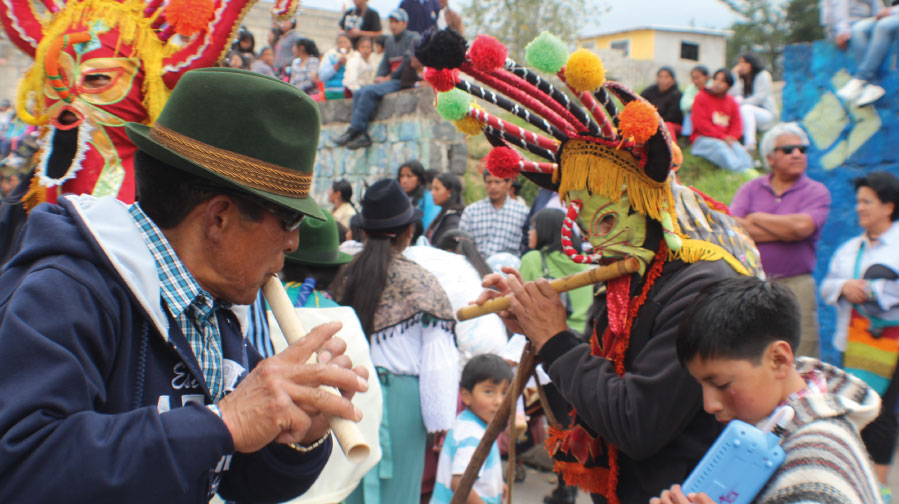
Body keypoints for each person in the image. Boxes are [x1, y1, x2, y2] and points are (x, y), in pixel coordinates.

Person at [0, 68, 369, 503]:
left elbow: (243, 483)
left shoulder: (218, 310)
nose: (293, 241)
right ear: (218, 218)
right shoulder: (66, 291)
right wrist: (223, 422)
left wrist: (299, 433)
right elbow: (22, 467)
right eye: (288, 220)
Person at [651, 276, 884, 504]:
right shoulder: (765, 433)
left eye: (722, 384)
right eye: (700, 385)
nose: (709, 404)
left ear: (779, 360)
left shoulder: (818, 455)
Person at [332, 179, 459, 504]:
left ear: (363, 230)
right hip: (401, 402)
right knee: (399, 491)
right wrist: (440, 423)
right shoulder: (423, 282)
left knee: (347, 486)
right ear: (408, 231)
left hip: (347, 393)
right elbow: (437, 359)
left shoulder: (341, 274)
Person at [821, 171, 899, 497]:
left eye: (867, 201)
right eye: (858, 201)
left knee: (880, 414)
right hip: (851, 344)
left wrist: (872, 292)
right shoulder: (849, 249)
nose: (859, 208)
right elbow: (827, 286)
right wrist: (843, 287)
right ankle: (858, 481)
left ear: (888, 207)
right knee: (856, 411)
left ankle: (878, 490)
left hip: (891, 348)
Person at [730, 123, 831, 358]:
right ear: (770, 158)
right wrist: (785, 232)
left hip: (797, 286)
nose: (797, 154)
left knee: (802, 353)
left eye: (801, 149)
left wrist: (756, 218)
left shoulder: (816, 191)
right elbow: (734, 227)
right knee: (754, 352)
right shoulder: (751, 188)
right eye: (787, 149)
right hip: (753, 284)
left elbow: (802, 227)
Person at [334, 8, 421, 150]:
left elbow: (406, 63)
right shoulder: (390, 41)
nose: (393, 25)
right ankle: (360, 134)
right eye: (391, 22)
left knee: (368, 92)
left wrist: (389, 77)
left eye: (396, 22)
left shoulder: (413, 38)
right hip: (391, 80)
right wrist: (378, 78)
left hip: (404, 80)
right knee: (360, 92)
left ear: (405, 23)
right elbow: (385, 64)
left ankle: (354, 129)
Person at [431, 354, 512, 504]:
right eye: (489, 392)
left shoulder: (466, 422)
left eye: (504, 393)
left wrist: (495, 484)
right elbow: (460, 482)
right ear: (466, 396)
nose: (499, 401)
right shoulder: (473, 434)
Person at [519, 208, 593, 335]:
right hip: (587, 335)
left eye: (534, 228)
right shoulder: (583, 262)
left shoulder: (532, 259)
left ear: (545, 231)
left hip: (552, 334)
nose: (529, 232)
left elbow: (520, 307)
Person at [826, 0, 898, 106]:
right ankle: (872, 84)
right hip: (891, 13)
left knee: (883, 25)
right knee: (857, 29)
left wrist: (892, 11)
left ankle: (861, 77)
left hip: (894, 14)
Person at [690, 68, 753, 172]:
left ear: (729, 86)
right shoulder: (701, 97)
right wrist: (723, 137)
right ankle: (741, 173)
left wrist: (731, 138)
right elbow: (702, 125)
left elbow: (737, 125)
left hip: (726, 140)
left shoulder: (732, 101)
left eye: (722, 81)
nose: (717, 83)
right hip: (702, 139)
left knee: (739, 148)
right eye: (716, 79)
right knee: (720, 147)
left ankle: (750, 171)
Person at [459, 172, 530, 259]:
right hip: (476, 266)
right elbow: (462, 243)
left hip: (507, 269)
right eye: (489, 182)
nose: (493, 186)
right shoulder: (472, 211)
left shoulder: (522, 213)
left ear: (509, 183)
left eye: (497, 182)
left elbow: (526, 245)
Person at [730, 53, 778, 151]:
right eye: (739, 63)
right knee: (738, 100)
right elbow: (733, 94)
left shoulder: (763, 75)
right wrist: (735, 75)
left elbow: (759, 97)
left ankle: (750, 143)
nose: (740, 66)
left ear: (750, 64)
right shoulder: (744, 78)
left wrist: (739, 104)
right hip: (751, 112)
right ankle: (737, 136)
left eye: (743, 63)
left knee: (745, 108)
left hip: (766, 113)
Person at [641, 66, 684, 138]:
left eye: (666, 77)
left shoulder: (676, 94)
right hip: (649, 122)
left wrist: (654, 121)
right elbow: (639, 101)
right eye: (660, 77)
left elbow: (672, 117)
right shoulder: (650, 90)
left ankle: (670, 148)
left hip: (668, 125)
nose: (662, 80)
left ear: (673, 80)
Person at [398, 160, 440, 230]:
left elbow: (428, 227)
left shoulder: (428, 198)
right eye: (401, 176)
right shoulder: (398, 198)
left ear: (419, 179)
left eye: (409, 176)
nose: (404, 181)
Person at [426, 172, 464, 246]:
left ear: (449, 192)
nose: (432, 193)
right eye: (432, 188)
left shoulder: (454, 219)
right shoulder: (443, 214)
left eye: (436, 189)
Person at [320, 34, 353, 100]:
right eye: (340, 42)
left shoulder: (354, 57)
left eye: (345, 42)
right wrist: (338, 64)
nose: (342, 44)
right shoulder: (330, 56)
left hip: (348, 91)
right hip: (331, 91)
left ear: (350, 43)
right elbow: (322, 77)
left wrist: (346, 63)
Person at [679, 65, 709, 137]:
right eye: (693, 78)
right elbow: (684, 105)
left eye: (697, 78)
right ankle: (687, 136)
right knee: (690, 113)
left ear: (706, 77)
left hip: (709, 114)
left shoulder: (712, 87)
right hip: (696, 112)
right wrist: (698, 103)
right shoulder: (691, 88)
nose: (695, 81)